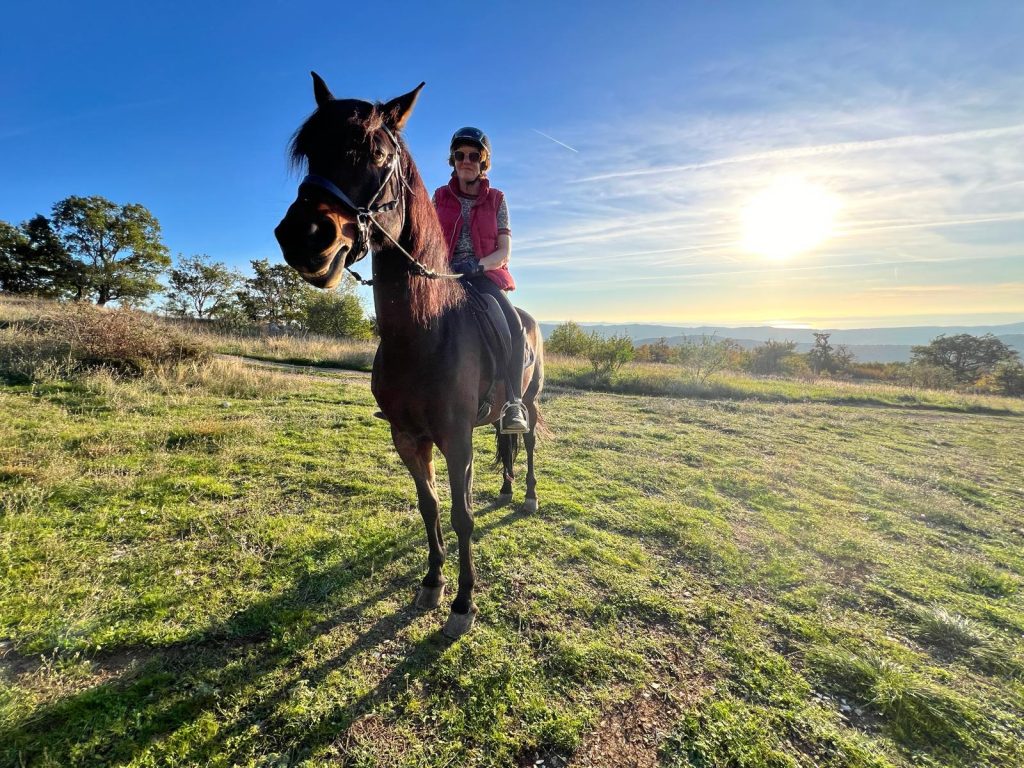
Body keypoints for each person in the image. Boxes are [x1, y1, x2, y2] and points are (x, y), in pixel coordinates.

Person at [433, 127, 529, 434]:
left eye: (474, 156)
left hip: (483, 274)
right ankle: (404, 395)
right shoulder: (440, 196)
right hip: (444, 273)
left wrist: (477, 264)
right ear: (453, 160)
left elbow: (504, 251)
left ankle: (513, 402)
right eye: (460, 155)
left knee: (513, 324)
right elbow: (430, 239)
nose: (466, 161)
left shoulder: (498, 200)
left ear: (483, 162)